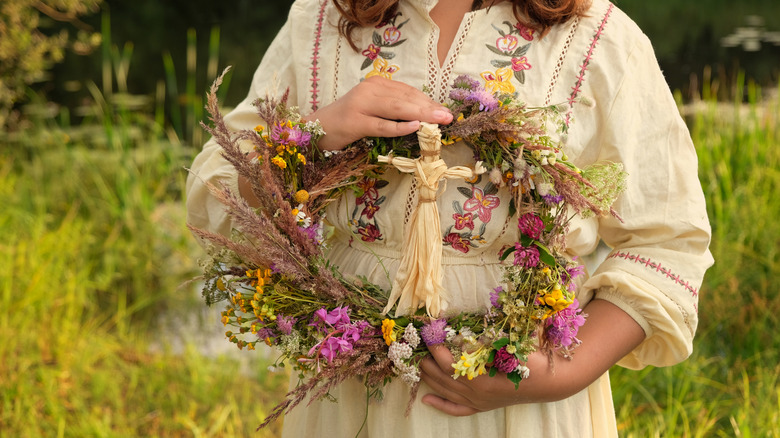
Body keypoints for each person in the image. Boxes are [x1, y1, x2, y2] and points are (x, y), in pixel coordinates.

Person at [186, 0, 714, 436]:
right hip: (350, 392)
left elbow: (665, 240)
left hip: (521, 396)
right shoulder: (323, 19)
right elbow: (215, 185)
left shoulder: (597, 35)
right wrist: (315, 132)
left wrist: (555, 376)